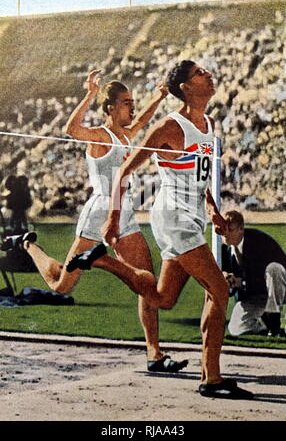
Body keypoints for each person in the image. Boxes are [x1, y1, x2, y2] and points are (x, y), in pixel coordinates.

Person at [68, 60, 254, 399]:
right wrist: (112, 217)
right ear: (184, 87)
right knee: (219, 288)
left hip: (193, 216)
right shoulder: (170, 126)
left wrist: (212, 210)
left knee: (163, 298)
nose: (209, 75)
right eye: (200, 73)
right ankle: (211, 378)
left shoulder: (210, 124)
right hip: (173, 217)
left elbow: (203, 178)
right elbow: (123, 168)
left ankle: (103, 261)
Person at [3, 69, 187, 373]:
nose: (132, 107)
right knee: (62, 286)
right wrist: (90, 93)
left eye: (132, 101)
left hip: (123, 212)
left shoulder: (126, 134)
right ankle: (27, 244)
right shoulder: (101, 136)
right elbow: (71, 128)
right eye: (126, 102)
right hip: (99, 211)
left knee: (147, 282)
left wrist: (160, 96)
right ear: (110, 108)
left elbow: (143, 121)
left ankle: (154, 354)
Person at [221, 210, 286, 337]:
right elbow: (229, 290)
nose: (225, 234)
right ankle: (265, 326)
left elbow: (278, 270)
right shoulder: (223, 249)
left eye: (230, 229)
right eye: (223, 230)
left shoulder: (260, 240)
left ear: (241, 229)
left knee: (274, 268)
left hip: (277, 290)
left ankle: (273, 321)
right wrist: (226, 280)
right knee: (236, 328)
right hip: (252, 296)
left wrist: (242, 282)